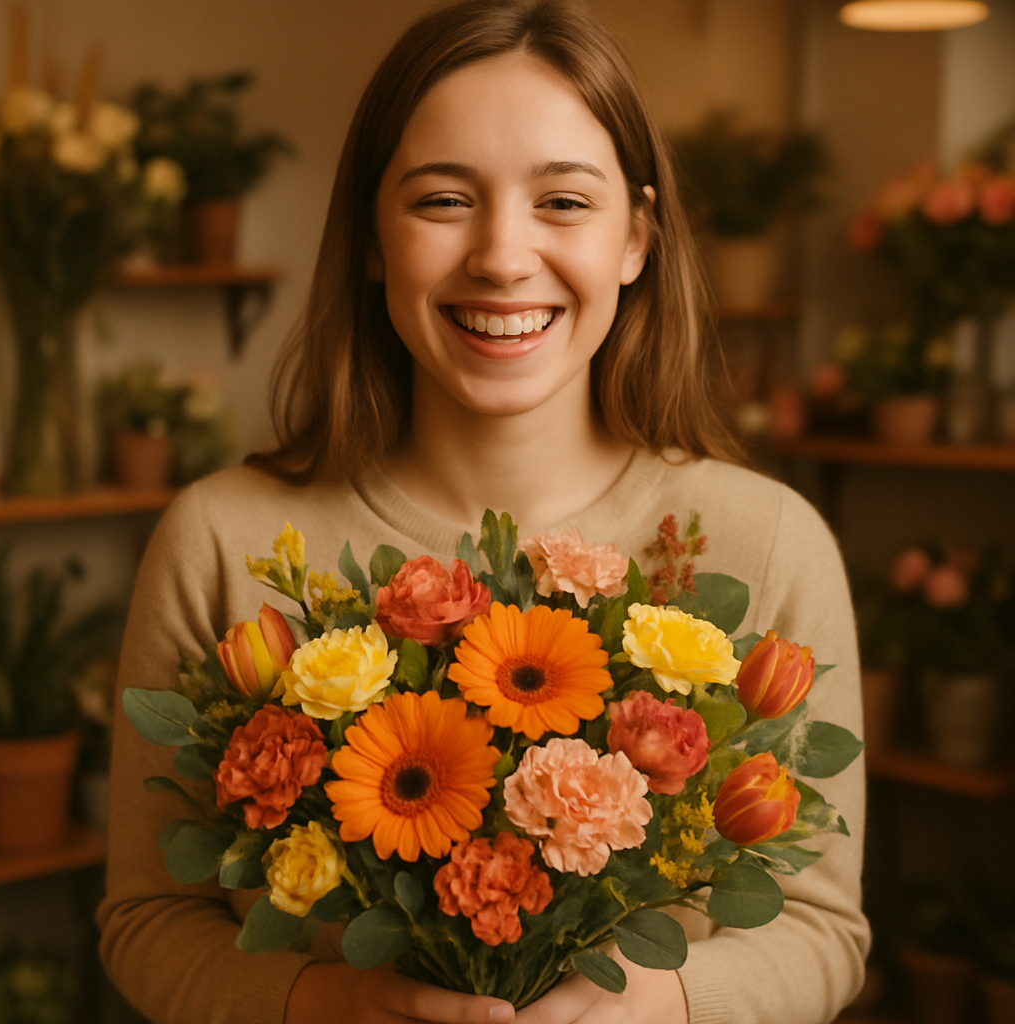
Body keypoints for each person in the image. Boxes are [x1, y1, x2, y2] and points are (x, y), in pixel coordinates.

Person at [97, 2, 870, 1022]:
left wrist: (673, 1005)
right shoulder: (218, 539)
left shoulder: (769, 543)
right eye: (443, 200)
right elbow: (149, 917)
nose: (502, 257)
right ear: (372, 236)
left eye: (563, 201)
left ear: (636, 237)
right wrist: (322, 1002)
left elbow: (824, 929)